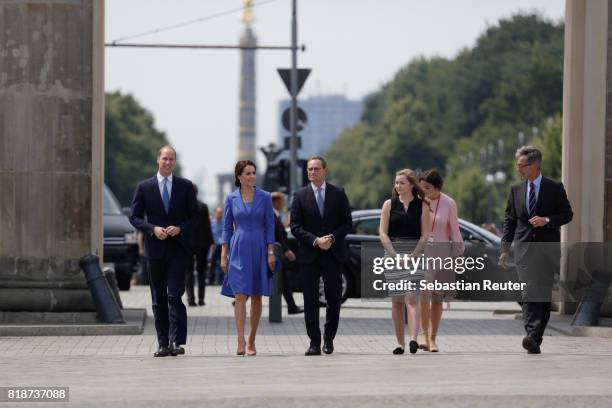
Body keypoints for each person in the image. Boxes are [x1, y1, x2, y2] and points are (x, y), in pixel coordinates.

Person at [499, 146, 573, 354]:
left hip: (547, 249)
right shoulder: (516, 190)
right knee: (528, 290)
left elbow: (567, 214)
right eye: (518, 165)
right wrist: (505, 248)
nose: (519, 169)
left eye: (522, 165)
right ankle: (531, 333)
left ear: (535, 166)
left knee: (542, 293)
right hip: (523, 249)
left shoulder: (554, 188)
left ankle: (535, 337)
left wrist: (547, 220)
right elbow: (509, 221)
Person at [129, 145, 198, 357]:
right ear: (158, 160)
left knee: (175, 295)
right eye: (165, 158)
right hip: (155, 250)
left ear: (174, 162)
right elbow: (134, 216)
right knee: (158, 298)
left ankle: (176, 341)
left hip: (178, 249)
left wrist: (180, 228)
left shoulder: (186, 187)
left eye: (172, 159)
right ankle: (163, 343)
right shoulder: (144, 187)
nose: (168, 162)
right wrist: (152, 229)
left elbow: (195, 218)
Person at [290, 156, 352, 356]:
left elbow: (347, 223)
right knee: (310, 299)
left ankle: (329, 339)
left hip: (333, 254)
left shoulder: (338, 193)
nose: (312, 172)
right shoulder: (300, 196)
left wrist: (331, 238)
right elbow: (295, 227)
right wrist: (316, 240)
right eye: (309, 169)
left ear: (325, 170)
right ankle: (314, 342)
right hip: (310, 255)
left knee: (333, 299)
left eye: (316, 169)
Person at [220, 160, 275, 356]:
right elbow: (226, 228)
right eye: (248, 173)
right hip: (238, 248)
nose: (252, 176)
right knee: (240, 294)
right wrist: (223, 254)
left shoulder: (265, 197)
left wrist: (270, 252)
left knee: (257, 295)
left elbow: (270, 226)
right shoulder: (231, 199)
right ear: (239, 177)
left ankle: (252, 339)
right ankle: (240, 340)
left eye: (254, 172)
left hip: (259, 248)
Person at [379, 169, 430, 355]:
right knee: (397, 301)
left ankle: (414, 339)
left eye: (402, 183)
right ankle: (400, 343)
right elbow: (383, 233)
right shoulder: (388, 205)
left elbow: (425, 235)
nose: (398, 186)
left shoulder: (422, 205)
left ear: (411, 185)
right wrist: (394, 255)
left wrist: (414, 255)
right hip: (393, 254)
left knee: (412, 297)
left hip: (415, 254)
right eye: (396, 183)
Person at [419, 169, 464, 352]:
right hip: (421, 254)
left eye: (427, 188)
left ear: (437, 188)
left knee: (437, 298)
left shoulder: (448, 203)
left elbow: (455, 231)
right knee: (423, 296)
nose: (424, 191)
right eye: (421, 187)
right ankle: (423, 335)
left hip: (442, 255)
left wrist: (457, 255)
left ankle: (433, 338)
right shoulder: (418, 202)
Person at [271, 192, 303, 315]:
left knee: (284, 281)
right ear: (275, 202)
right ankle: (292, 306)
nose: (283, 204)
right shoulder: (271, 216)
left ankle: (292, 306)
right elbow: (277, 236)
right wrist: (286, 250)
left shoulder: (276, 215)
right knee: (258, 277)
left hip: (277, 253)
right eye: (282, 201)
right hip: (275, 253)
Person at [186, 184, 213, 306]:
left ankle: (191, 299)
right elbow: (207, 226)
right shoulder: (203, 206)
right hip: (202, 244)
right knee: (201, 272)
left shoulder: (183, 207)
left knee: (189, 272)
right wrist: (211, 242)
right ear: (196, 193)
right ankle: (201, 299)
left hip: (187, 244)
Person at [209, 207, 224, 285]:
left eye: (221, 213)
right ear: (215, 213)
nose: (219, 214)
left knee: (222, 263)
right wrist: (211, 243)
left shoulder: (224, 223)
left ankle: (221, 281)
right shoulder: (211, 223)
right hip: (213, 246)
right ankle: (211, 281)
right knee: (213, 264)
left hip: (222, 246)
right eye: (218, 213)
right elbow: (209, 234)